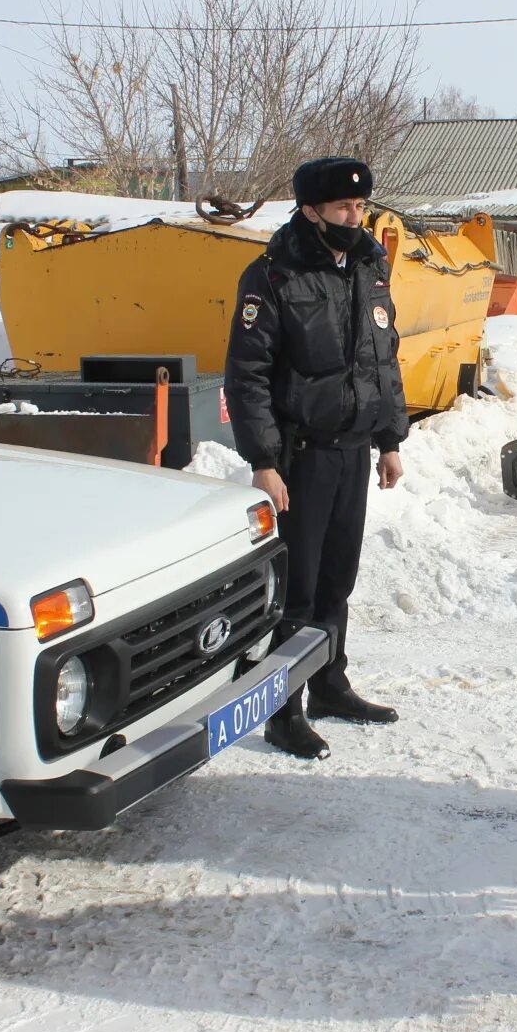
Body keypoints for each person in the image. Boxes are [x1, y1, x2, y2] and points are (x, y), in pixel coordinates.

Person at [223, 156, 408, 759]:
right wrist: (264, 459)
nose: (356, 217)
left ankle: (329, 683)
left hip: (354, 451)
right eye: (343, 209)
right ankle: (285, 709)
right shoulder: (274, 276)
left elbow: (383, 361)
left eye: (361, 207)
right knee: (296, 591)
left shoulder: (368, 269)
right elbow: (247, 374)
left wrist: (390, 440)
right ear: (310, 212)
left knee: (337, 581)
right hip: (301, 458)